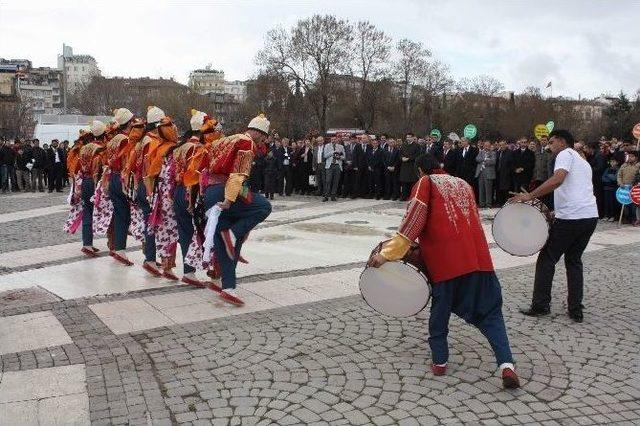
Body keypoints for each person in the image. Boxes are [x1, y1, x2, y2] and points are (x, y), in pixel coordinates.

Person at [369, 153, 520, 389]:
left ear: (420, 170)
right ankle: (506, 365)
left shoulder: (426, 183)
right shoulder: (464, 184)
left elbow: (413, 221)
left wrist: (385, 254)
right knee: (491, 313)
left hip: (447, 262)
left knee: (440, 312)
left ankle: (440, 361)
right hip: (479, 260)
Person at [513, 130, 598, 323]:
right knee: (574, 260)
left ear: (562, 141)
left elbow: (558, 179)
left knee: (547, 259)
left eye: (551, 142)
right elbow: (575, 189)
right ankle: (575, 308)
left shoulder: (565, 154)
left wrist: (530, 195)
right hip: (589, 216)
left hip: (572, 218)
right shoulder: (582, 161)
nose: (549, 146)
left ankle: (540, 305)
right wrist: (555, 212)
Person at [193, 114, 272, 306]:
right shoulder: (247, 143)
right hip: (227, 191)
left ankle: (228, 288)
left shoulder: (226, 140)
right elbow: (238, 173)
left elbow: (203, 165)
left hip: (211, 192)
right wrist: (228, 199)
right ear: (259, 133)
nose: (262, 141)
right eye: (263, 137)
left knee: (225, 243)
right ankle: (234, 233)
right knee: (264, 206)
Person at [173, 109, 222, 287]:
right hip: (193, 194)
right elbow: (197, 176)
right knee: (210, 231)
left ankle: (189, 272)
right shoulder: (200, 149)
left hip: (177, 192)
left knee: (185, 232)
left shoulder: (179, 147)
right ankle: (215, 274)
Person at [322, 136, 345, 202]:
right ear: (330, 140)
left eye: (334, 139)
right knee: (328, 181)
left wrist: (339, 157)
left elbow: (344, 157)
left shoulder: (341, 147)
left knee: (336, 181)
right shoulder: (327, 146)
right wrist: (332, 152)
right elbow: (325, 156)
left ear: (337, 140)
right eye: (332, 139)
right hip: (329, 165)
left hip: (337, 165)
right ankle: (326, 196)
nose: (333, 140)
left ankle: (333, 195)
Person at [399, 133, 420, 201]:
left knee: (412, 182)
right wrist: (402, 158)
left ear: (413, 138)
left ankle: (412, 197)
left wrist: (409, 158)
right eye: (407, 137)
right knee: (404, 182)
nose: (408, 138)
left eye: (409, 137)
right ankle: (404, 196)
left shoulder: (417, 146)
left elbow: (417, 155)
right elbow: (400, 153)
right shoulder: (403, 145)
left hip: (412, 167)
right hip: (404, 166)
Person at [475, 140, 496, 208]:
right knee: (481, 189)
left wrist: (484, 161)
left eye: (488, 146)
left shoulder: (493, 153)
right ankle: (482, 204)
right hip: (480, 173)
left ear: (490, 146)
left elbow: (493, 161)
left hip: (489, 174)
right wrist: (485, 159)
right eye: (485, 146)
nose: (486, 147)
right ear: (483, 146)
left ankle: (488, 204)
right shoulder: (481, 152)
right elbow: (477, 159)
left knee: (488, 190)